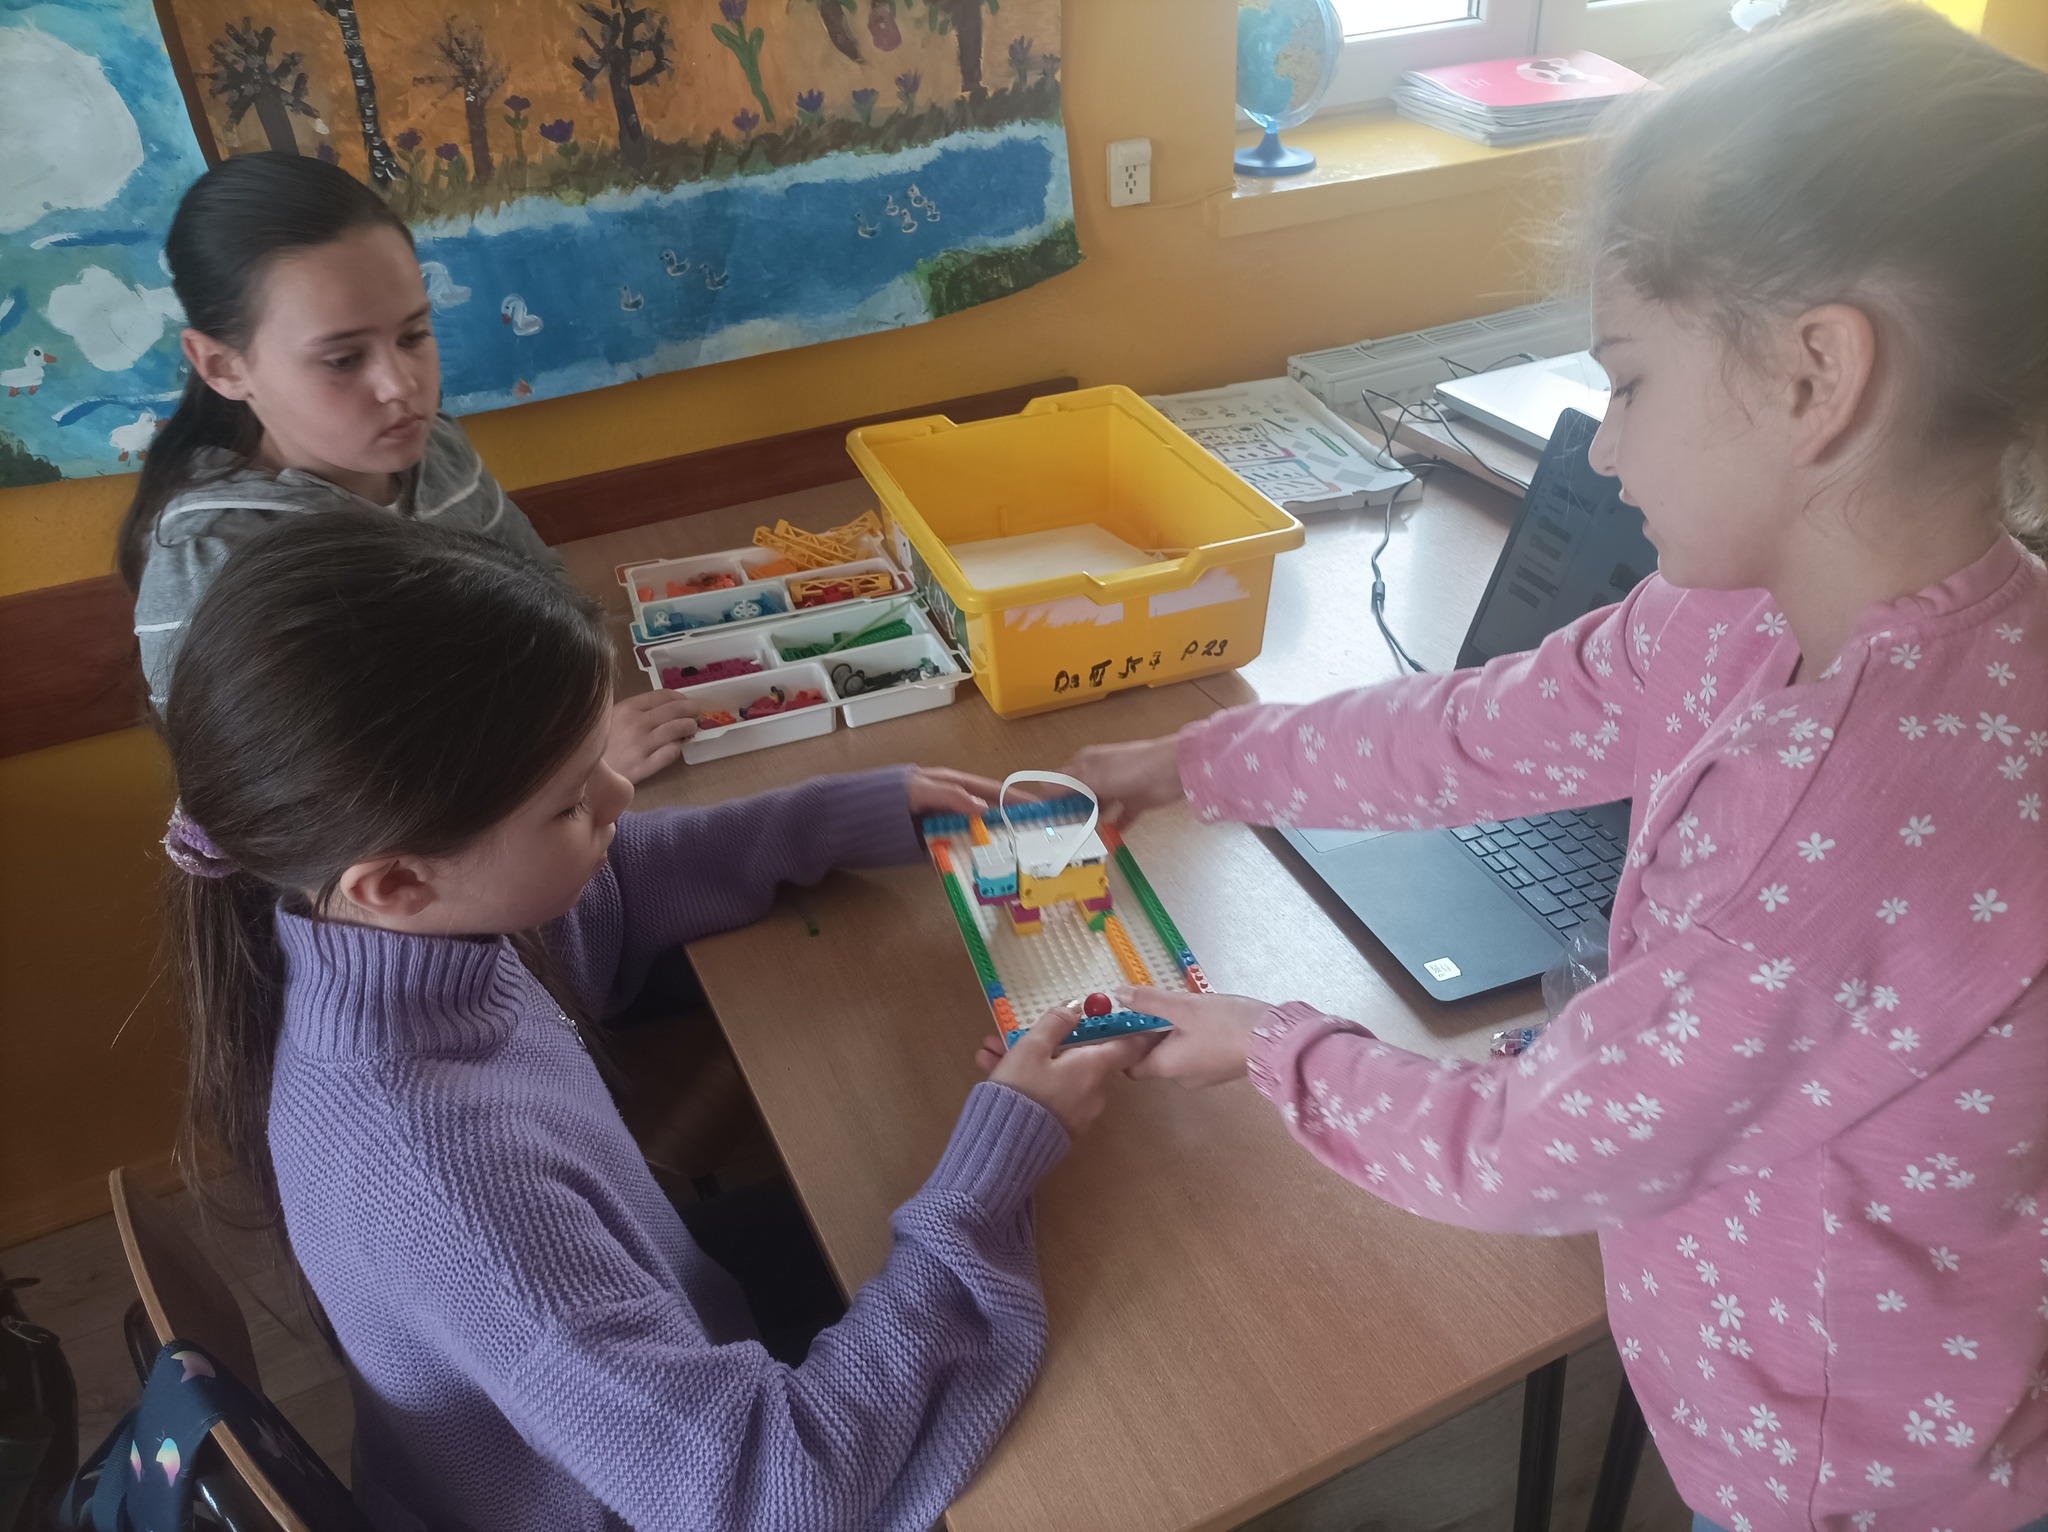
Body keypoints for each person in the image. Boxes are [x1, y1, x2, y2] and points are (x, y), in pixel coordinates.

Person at [1059, 8, 2048, 1530]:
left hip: (1844, 1479)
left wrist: (1268, 1044)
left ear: (1815, 376)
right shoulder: (1734, 610)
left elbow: (1520, 1154)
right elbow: (1477, 730)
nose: (1599, 450)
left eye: (1629, 381)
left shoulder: (1851, 839)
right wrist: (1201, 759)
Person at [158, 510, 1153, 1531]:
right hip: (682, 1492)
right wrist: (1000, 1157)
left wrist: (836, 817)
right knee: (1134, 1375)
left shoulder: (388, 929)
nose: (620, 791)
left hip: (670, 1375)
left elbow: (609, 885)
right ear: (397, 879)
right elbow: (769, 1494)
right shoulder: (442, 1182)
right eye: (569, 803)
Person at [118, 151, 694, 782]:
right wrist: (567, 768)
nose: (402, 386)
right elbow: (275, 799)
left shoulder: (438, 451)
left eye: (414, 336)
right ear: (223, 367)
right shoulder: (210, 562)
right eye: (342, 360)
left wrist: (570, 721)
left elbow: (550, 601)